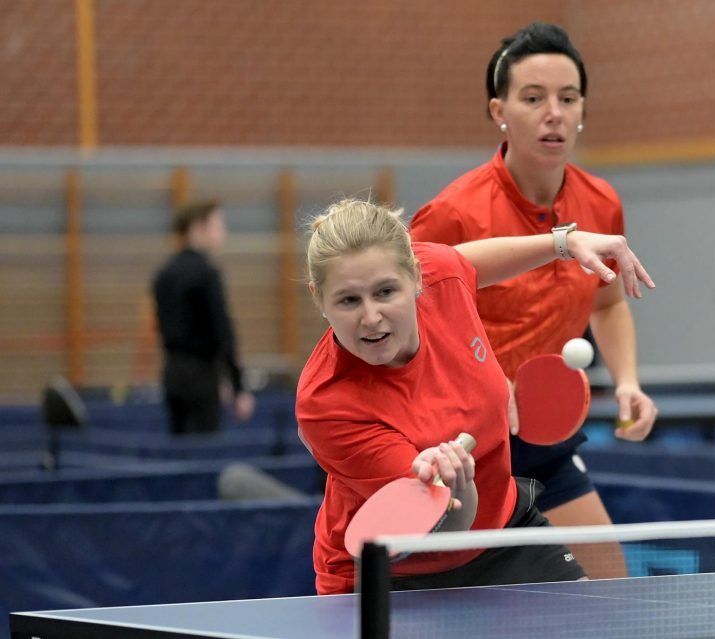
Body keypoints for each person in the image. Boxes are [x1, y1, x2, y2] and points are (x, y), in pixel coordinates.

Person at [295, 198, 654, 595]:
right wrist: (456, 484)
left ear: (417, 277)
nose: (371, 316)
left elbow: (466, 263)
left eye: (385, 292)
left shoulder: (441, 277)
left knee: (596, 624)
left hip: (502, 529)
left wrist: (564, 244)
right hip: (394, 570)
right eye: (349, 300)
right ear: (318, 298)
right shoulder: (327, 402)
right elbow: (448, 526)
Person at [410, 22, 658, 579]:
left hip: (543, 440)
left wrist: (628, 382)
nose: (555, 113)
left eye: (568, 98)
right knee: (458, 605)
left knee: (609, 583)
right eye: (533, 98)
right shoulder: (452, 213)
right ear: (499, 110)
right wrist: (488, 385)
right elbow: (406, 334)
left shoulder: (601, 201)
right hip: (459, 450)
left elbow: (609, 303)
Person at [152, 200, 255, 434]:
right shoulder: (206, 273)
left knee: (180, 449)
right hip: (201, 376)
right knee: (202, 453)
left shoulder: (163, 273)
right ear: (198, 228)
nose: (223, 233)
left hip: (171, 374)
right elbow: (222, 331)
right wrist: (237, 385)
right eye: (218, 225)